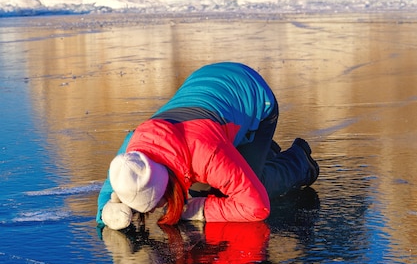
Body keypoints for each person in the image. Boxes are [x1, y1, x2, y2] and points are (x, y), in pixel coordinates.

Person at [96, 62, 319, 229]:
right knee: (201, 187)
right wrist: (108, 212)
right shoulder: (133, 150)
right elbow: (109, 190)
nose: (156, 210)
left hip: (253, 94)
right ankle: (261, 152)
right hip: (206, 84)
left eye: (158, 202)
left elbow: (256, 207)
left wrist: (197, 209)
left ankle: (299, 161)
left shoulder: (205, 153)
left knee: (245, 189)